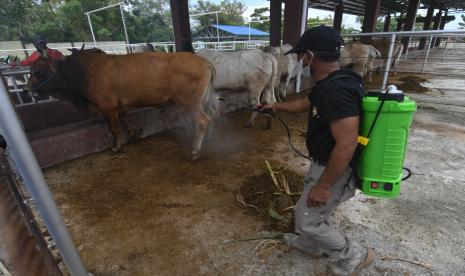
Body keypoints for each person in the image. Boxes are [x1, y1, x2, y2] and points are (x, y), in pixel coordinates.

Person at [262, 26, 374, 275]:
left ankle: (354, 254)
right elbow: (305, 103)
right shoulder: (329, 84)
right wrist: (275, 106)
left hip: (333, 167)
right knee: (307, 206)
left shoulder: (337, 91)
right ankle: (310, 244)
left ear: (311, 55)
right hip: (322, 163)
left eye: (301, 55)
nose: (300, 61)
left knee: (307, 219)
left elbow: (347, 143)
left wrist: (324, 186)